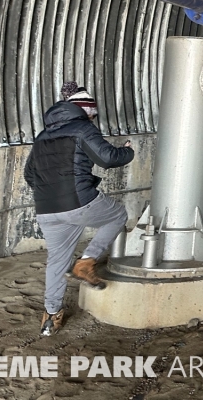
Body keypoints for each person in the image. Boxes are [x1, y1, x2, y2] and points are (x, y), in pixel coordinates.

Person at [24, 82, 135, 336]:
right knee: (117, 215)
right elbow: (108, 158)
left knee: (56, 261)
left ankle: (50, 318)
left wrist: (49, 192)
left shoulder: (42, 136)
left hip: (46, 209)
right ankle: (86, 263)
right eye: (93, 113)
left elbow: (30, 174)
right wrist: (127, 152)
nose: (95, 117)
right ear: (85, 111)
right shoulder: (83, 128)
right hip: (78, 201)